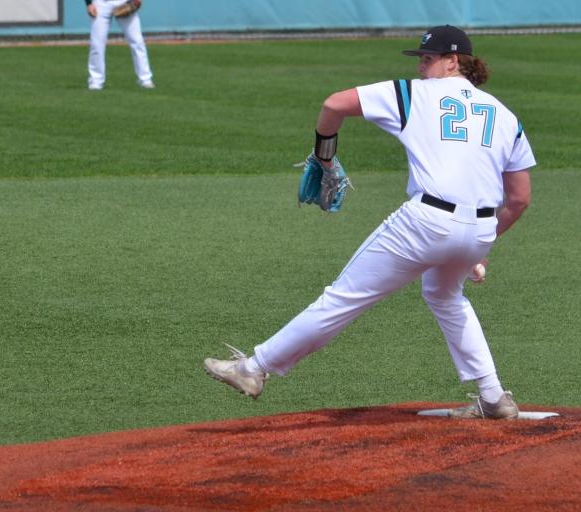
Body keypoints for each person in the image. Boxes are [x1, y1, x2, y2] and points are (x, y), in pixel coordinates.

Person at [204, 25, 536, 419]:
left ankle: (253, 369)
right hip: (479, 230)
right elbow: (519, 198)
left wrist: (324, 157)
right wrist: (475, 247)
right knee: (446, 295)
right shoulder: (504, 115)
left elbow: (334, 104)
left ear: (453, 61)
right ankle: (494, 396)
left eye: (429, 59)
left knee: (344, 296)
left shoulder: (415, 94)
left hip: (426, 222)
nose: (422, 66)